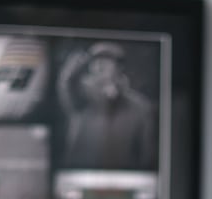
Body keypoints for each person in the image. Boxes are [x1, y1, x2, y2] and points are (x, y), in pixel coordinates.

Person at [57, 41, 157, 171]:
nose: (99, 66)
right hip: (82, 176)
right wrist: (75, 65)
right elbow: (67, 82)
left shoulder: (139, 106)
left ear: (119, 67)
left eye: (106, 61)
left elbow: (147, 153)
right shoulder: (80, 97)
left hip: (122, 179)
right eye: (95, 62)